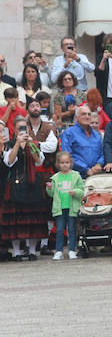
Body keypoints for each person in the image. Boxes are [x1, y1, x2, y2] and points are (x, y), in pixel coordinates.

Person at [1, 110, 54, 260]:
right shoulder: (9, 145)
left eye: (25, 127)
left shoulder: (34, 144)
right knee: (15, 220)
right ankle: (17, 252)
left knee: (33, 218)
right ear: (14, 129)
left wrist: (30, 144)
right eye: (20, 128)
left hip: (32, 183)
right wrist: (18, 143)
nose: (23, 130)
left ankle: (32, 251)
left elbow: (39, 161)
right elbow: (9, 161)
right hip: (15, 184)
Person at [45, 150, 82, 261]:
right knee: (60, 230)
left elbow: (82, 190)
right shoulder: (55, 177)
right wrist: (49, 188)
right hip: (59, 208)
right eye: (62, 163)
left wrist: (75, 192)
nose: (65, 165)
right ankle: (59, 251)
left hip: (72, 208)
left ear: (71, 163)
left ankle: (72, 250)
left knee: (72, 229)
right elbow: (52, 194)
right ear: (58, 164)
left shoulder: (76, 175)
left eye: (67, 162)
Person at [61, 104, 107, 176]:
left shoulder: (96, 135)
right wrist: (86, 169)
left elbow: (102, 153)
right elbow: (67, 156)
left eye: (89, 114)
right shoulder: (68, 133)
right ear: (76, 117)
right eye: (83, 114)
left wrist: (99, 164)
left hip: (96, 174)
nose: (87, 117)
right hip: (77, 175)